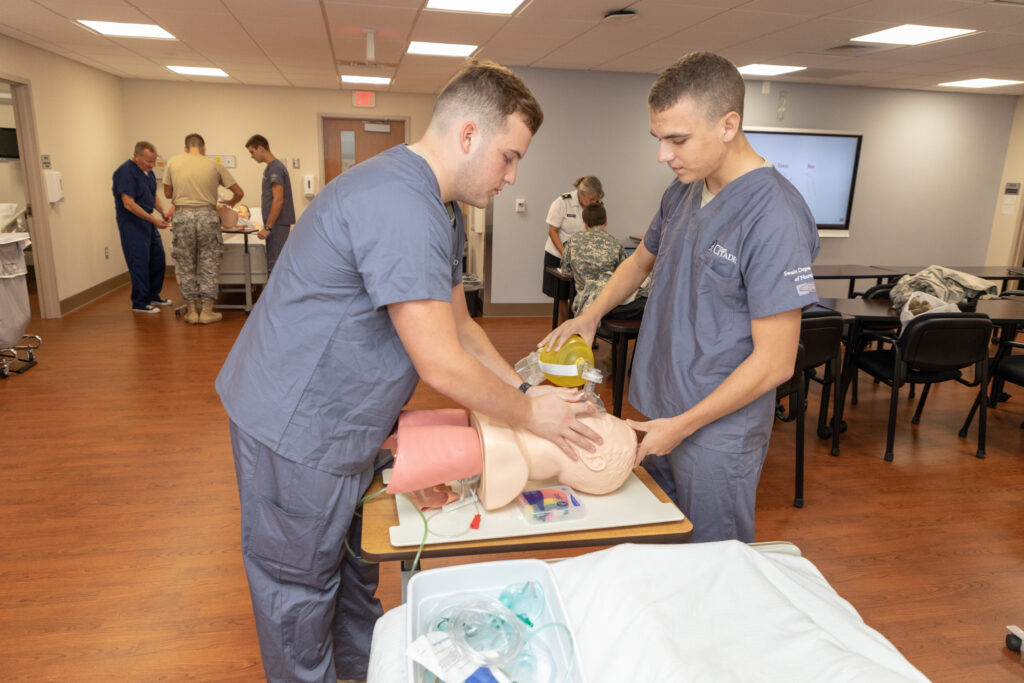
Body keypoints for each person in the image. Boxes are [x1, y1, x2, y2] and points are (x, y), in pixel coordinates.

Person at [214, 59, 601, 683]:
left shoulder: (438, 207)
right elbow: (439, 361)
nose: (513, 176)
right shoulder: (400, 202)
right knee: (299, 596)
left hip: (342, 424)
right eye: (509, 157)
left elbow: (464, 330)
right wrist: (532, 415)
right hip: (295, 426)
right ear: (468, 134)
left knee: (352, 579)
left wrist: (525, 388)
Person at [541, 52, 820, 544]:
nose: (663, 155)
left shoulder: (774, 216)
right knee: (662, 539)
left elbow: (776, 362)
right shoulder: (682, 192)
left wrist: (684, 426)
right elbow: (638, 262)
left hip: (714, 429)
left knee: (712, 556)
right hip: (660, 404)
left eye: (677, 140)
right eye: (658, 139)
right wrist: (591, 314)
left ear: (728, 124)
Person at [385, 408, 637, 510]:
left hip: (496, 448)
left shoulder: (507, 462)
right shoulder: (509, 433)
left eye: (600, 420)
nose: (587, 409)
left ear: (594, 460)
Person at [163, 133, 244, 325]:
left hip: (182, 217)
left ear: (185, 148)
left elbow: (167, 193)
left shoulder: (173, 162)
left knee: (185, 264)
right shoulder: (214, 165)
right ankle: (207, 311)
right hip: (208, 216)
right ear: (204, 148)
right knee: (209, 263)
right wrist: (230, 202)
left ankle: (192, 311)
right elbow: (239, 192)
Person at [111, 141, 172, 314]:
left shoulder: (148, 173)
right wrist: (153, 221)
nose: (152, 165)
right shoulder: (125, 172)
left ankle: (153, 295)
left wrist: (162, 211)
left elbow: (152, 195)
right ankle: (139, 302)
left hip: (147, 221)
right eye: (148, 161)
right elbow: (128, 204)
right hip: (132, 223)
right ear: (136, 156)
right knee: (139, 262)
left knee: (157, 257)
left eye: (154, 162)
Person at [561, 202, 647, 320]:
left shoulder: (573, 242)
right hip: (610, 302)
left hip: (585, 303)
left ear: (585, 223)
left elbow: (566, 272)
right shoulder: (616, 244)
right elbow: (625, 276)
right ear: (606, 221)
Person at [541, 176, 604, 307]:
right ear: (581, 193)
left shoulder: (596, 206)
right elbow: (552, 231)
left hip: (583, 258)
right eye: (591, 199)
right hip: (559, 254)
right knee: (561, 296)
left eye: (597, 199)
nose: (594, 202)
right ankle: (565, 326)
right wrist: (566, 254)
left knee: (582, 295)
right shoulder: (562, 202)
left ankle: (578, 326)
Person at [245, 134, 295, 273]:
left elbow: (278, 199)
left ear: (261, 148)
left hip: (277, 224)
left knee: (275, 266)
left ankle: (277, 294)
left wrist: (268, 227)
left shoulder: (275, 168)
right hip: (276, 224)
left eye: (252, 152)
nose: (252, 156)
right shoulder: (271, 168)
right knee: (275, 263)